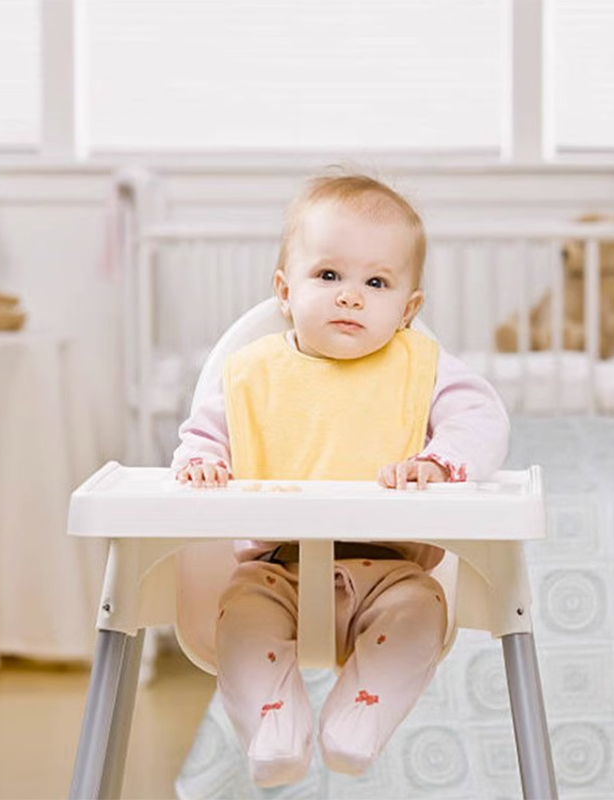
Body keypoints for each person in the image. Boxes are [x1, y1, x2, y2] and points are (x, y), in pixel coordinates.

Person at [171, 173, 510, 787]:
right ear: (285, 289)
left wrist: (439, 462)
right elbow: (204, 435)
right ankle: (273, 726)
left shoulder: (422, 366)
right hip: (276, 568)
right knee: (241, 619)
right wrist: (201, 464)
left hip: (391, 570)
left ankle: (362, 716)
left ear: (408, 309)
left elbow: (482, 419)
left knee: (421, 610)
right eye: (328, 276)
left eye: (376, 282)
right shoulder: (248, 373)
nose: (350, 296)